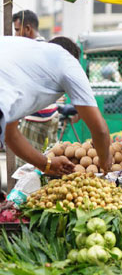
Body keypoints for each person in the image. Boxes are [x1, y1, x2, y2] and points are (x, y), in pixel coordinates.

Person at [0, 36, 113, 175]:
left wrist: (46, 165)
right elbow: (100, 130)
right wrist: (105, 160)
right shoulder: (68, 62)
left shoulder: (25, 53)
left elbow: (10, 135)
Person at [11, 10, 62, 165]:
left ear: (27, 29)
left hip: (35, 117)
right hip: (52, 114)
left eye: (17, 30)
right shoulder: (49, 48)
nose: (15, 35)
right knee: (50, 160)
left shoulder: (28, 50)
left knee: (25, 166)